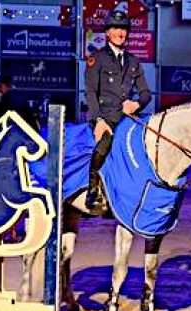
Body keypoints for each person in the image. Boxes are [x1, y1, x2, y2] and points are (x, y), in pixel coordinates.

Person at [84, 9, 152, 215]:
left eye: (123, 29)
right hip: (105, 119)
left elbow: (146, 93)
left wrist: (137, 105)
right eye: (115, 28)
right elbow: (90, 92)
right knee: (104, 146)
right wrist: (98, 120)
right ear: (107, 32)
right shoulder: (96, 59)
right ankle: (93, 189)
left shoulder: (134, 62)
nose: (120, 32)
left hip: (128, 118)